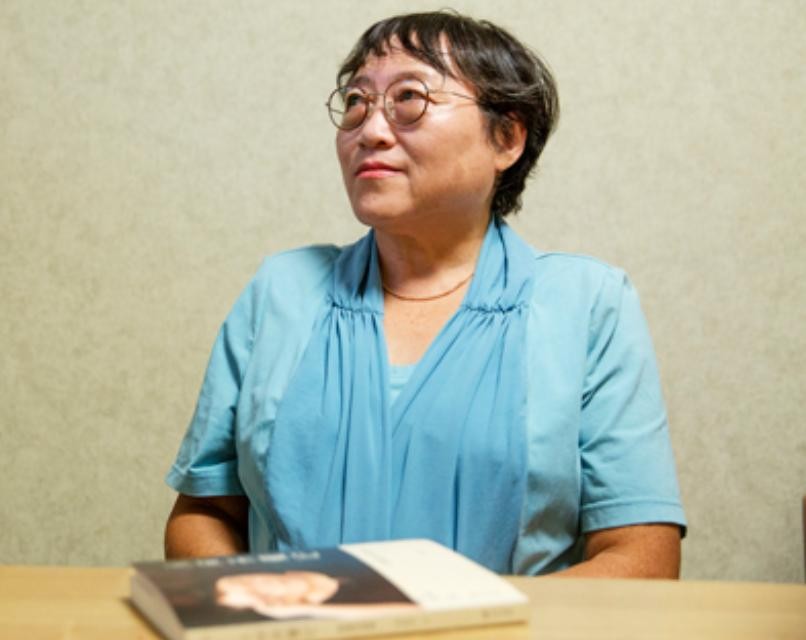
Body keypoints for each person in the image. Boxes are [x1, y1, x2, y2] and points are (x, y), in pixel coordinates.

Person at [164, 11, 686, 577]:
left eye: (409, 98)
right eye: (357, 102)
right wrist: (275, 608)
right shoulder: (281, 291)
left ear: (506, 138)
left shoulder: (587, 304)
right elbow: (203, 512)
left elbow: (642, 553)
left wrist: (477, 616)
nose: (371, 129)